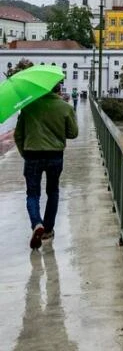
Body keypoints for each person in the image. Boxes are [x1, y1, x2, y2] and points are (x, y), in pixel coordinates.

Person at [14, 82, 79, 249]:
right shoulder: (65, 107)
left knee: (32, 194)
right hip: (55, 155)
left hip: (32, 155)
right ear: (58, 89)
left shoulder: (28, 107)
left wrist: (24, 153)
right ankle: (48, 229)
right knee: (53, 191)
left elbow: (18, 135)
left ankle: (37, 223)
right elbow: (73, 133)